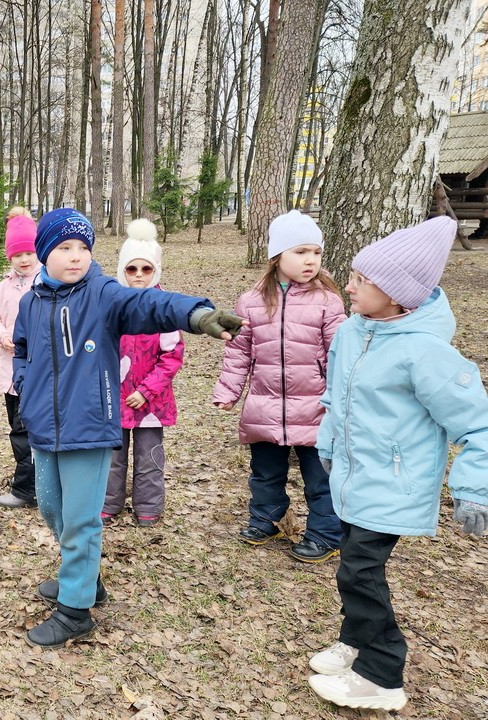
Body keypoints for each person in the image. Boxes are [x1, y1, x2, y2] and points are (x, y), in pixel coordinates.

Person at [12, 207, 245, 648]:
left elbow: (149, 304)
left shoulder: (103, 294)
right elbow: (22, 349)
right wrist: (24, 386)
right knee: (51, 508)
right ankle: (86, 578)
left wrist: (196, 315)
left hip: (91, 427)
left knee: (81, 520)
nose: (76, 256)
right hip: (43, 425)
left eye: (84, 247)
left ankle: (76, 611)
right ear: (44, 252)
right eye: (65, 247)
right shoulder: (30, 301)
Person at [307, 216, 488, 711]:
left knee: (359, 573)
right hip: (350, 479)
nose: (348, 285)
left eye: (362, 281)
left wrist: (475, 490)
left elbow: (478, 424)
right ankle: (355, 641)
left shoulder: (425, 352)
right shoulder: (351, 331)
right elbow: (334, 398)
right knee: (352, 568)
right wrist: (327, 447)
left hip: (393, 486)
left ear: (396, 293)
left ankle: (381, 674)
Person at [212, 210, 346, 562]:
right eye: (300, 252)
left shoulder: (328, 301)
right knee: (265, 473)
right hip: (265, 404)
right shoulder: (251, 301)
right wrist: (228, 391)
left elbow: (339, 354)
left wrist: (341, 398)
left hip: (316, 408)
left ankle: (325, 534)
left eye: (316, 252)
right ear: (277, 257)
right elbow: (239, 351)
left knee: (320, 478)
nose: (310, 260)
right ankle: (265, 520)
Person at [102, 219, 184, 528]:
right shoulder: (111, 305)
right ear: (122, 270)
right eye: (132, 269)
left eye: (146, 269)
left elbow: (171, 357)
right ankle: (109, 503)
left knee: (150, 457)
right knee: (111, 458)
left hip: (151, 401)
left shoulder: (165, 308)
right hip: (114, 398)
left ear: (156, 271)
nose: (138, 275)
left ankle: (149, 506)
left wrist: (146, 391)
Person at [0, 209, 40, 508]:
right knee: (18, 429)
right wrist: (2, 335)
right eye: (17, 253)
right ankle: (28, 484)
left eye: (29, 251)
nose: (24, 259)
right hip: (11, 374)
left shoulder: (47, 282)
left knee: (36, 428)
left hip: (41, 372)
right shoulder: (3, 286)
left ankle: (31, 487)